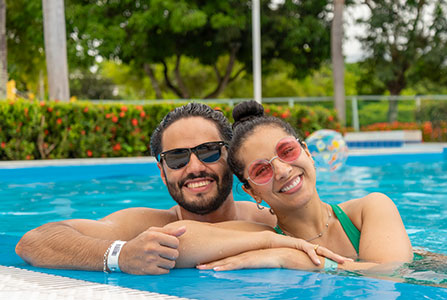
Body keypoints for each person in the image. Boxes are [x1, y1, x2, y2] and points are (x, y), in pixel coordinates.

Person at [15, 103, 289, 275]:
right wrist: (120, 255)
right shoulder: (148, 226)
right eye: (177, 157)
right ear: (162, 171)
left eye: (207, 152)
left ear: (230, 157)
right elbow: (34, 240)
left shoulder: (269, 218)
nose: (194, 167)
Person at [159, 100, 413, 272]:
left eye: (287, 151)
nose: (281, 170)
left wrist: (292, 259)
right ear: (251, 191)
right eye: (261, 170)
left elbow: (393, 277)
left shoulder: (368, 210)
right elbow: (179, 240)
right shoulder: (264, 235)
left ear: (306, 151)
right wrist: (274, 247)